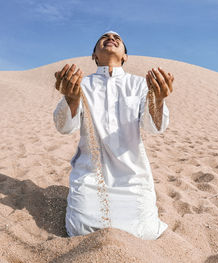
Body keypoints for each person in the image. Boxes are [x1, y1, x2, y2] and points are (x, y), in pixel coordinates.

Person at [53, 30, 174, 240]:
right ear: (94, 56)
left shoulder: (139, 85)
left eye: (118, 38)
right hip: (89, 176)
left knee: (143, 232)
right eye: (104, 37)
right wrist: (71, 99)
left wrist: (159, 100)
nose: (111, 38)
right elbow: (64, 127)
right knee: (81, 229)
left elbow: (154, 127)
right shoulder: (80, 84)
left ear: (125, 56)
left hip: (132, 178)